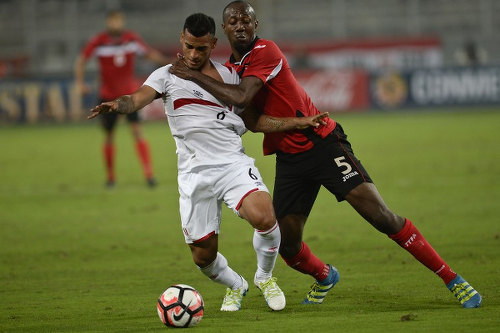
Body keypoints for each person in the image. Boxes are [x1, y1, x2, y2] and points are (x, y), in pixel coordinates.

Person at [169, 1, 482, 308]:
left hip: (323, 144)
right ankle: (325, 276)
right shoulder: (232, 72)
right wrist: (294, 122)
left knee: (381, 217)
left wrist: (192, 75)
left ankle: (451, 278)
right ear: (223, 30)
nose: (240, 25)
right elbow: (253, 122)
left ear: (255, 25)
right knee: (287, 245)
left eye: (246, 20)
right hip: (290, 158)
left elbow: (242, 96)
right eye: (233, 22)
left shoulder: (265, 51)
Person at [87, 13, 324, 312]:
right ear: (181, 41)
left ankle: (265, 277)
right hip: (193, 173)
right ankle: (236, 285)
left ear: (213, 44)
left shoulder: (231, 78)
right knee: (203, 258)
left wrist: (295, 123)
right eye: (189, 47)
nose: (194, 54)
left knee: (264, 216)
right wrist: (116, 104)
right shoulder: (166, 75)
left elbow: (255, 122)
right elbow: (135, 100)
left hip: (231, 164)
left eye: (201, 48)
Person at [75, 9, 169, 187]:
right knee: (109, 135)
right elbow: (81, 60)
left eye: (118, 20)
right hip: (107, 96)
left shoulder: (131, 39)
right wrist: (79, 82)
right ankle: (111, 178)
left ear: (122, 21)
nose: (116, 24)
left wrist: (169, 63)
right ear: (108, 22)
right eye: (113, 21)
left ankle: (149, 175)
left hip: (129, 97)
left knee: (137, 132)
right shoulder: (98, 41)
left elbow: (150, 54)